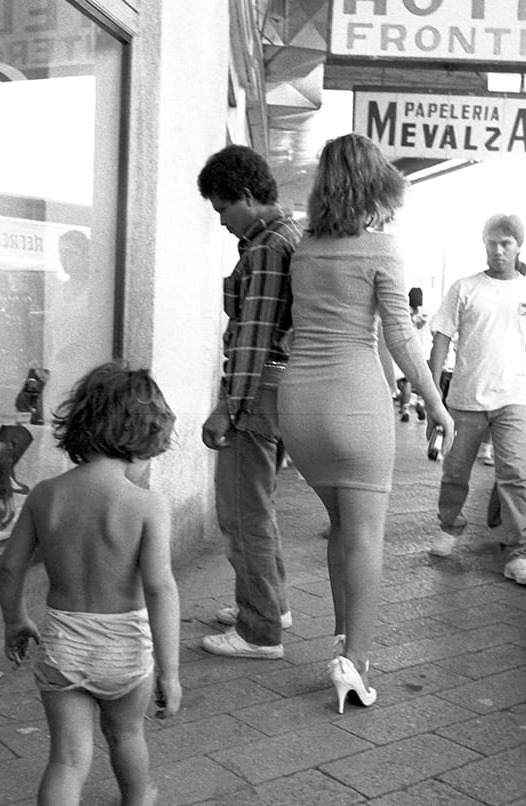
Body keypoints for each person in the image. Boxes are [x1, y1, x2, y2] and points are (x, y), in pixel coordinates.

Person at [278, 133, 454, 713]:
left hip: (299, 407)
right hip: (354, 404)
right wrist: (435, 402)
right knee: (365, 536)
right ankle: (356, 660)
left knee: (340, 527)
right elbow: (400, 337)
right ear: (376, 186)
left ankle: (341, 641)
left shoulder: (305, 248)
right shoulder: (382, 249)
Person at [0, 363, 181, 806]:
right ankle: (139, 798)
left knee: (66, 760)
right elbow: (161, 589)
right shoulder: (147, 505)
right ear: (140, 438)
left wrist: (15, 620)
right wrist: (170, 673)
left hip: (64, 644)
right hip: (125, 648)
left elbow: (9, 568)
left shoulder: (45, 494)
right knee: (126, 736)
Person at [196, 145, 303, 659]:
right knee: (258, 506)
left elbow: (253, 338)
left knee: (241, 512)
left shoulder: (265, 248)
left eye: (222, 209)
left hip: (256, 390)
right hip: (279, 387)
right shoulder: (288, 236)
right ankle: (270, 603)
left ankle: (260, 630)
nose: (221, 223)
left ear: (244, 196)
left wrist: (227, 406)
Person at [427, 213, 526, 589]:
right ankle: (449, 524)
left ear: (518, 247)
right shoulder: (464, 288)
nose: (498, 250)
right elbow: (441, 337)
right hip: (466, 398)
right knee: (456, 470)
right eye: (492, 243)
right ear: (484, 245)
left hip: (513, 400)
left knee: (514, 476)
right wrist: (434, 395)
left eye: (505, 243)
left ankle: (518, 553)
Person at [396, 287, 431, 422]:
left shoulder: (406, 313)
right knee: (422, 380)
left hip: (410, 351)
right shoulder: (426, 313)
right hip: (424, 352)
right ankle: (419, 403)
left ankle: (405, 410)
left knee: (407, 381)